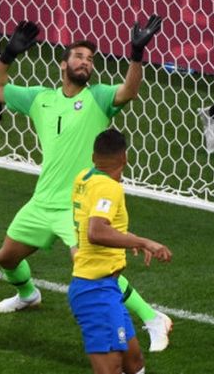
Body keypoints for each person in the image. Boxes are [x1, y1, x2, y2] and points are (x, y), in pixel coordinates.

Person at [0, 16, 173, 351]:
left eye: (90, 60)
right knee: (7, 257)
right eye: (79, 57)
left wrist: (136, 56)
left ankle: (153, 318)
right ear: (63, 64)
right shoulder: (40, 98)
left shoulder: (98, 98)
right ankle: (28, 294)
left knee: (93, 269)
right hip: (42, 200)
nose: (85, 63)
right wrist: (7, 56)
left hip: (78, 205)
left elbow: (129, 90)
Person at [69, 128, 172, 374]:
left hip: (107, 289)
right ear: (124, 158)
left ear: (94, 157)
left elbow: (95, 223)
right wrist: (145, 242)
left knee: (134, 363)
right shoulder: (110, 188)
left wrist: (131, 240)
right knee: (111, 369)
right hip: (95, 292)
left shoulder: (83, 178)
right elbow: (96, 231)